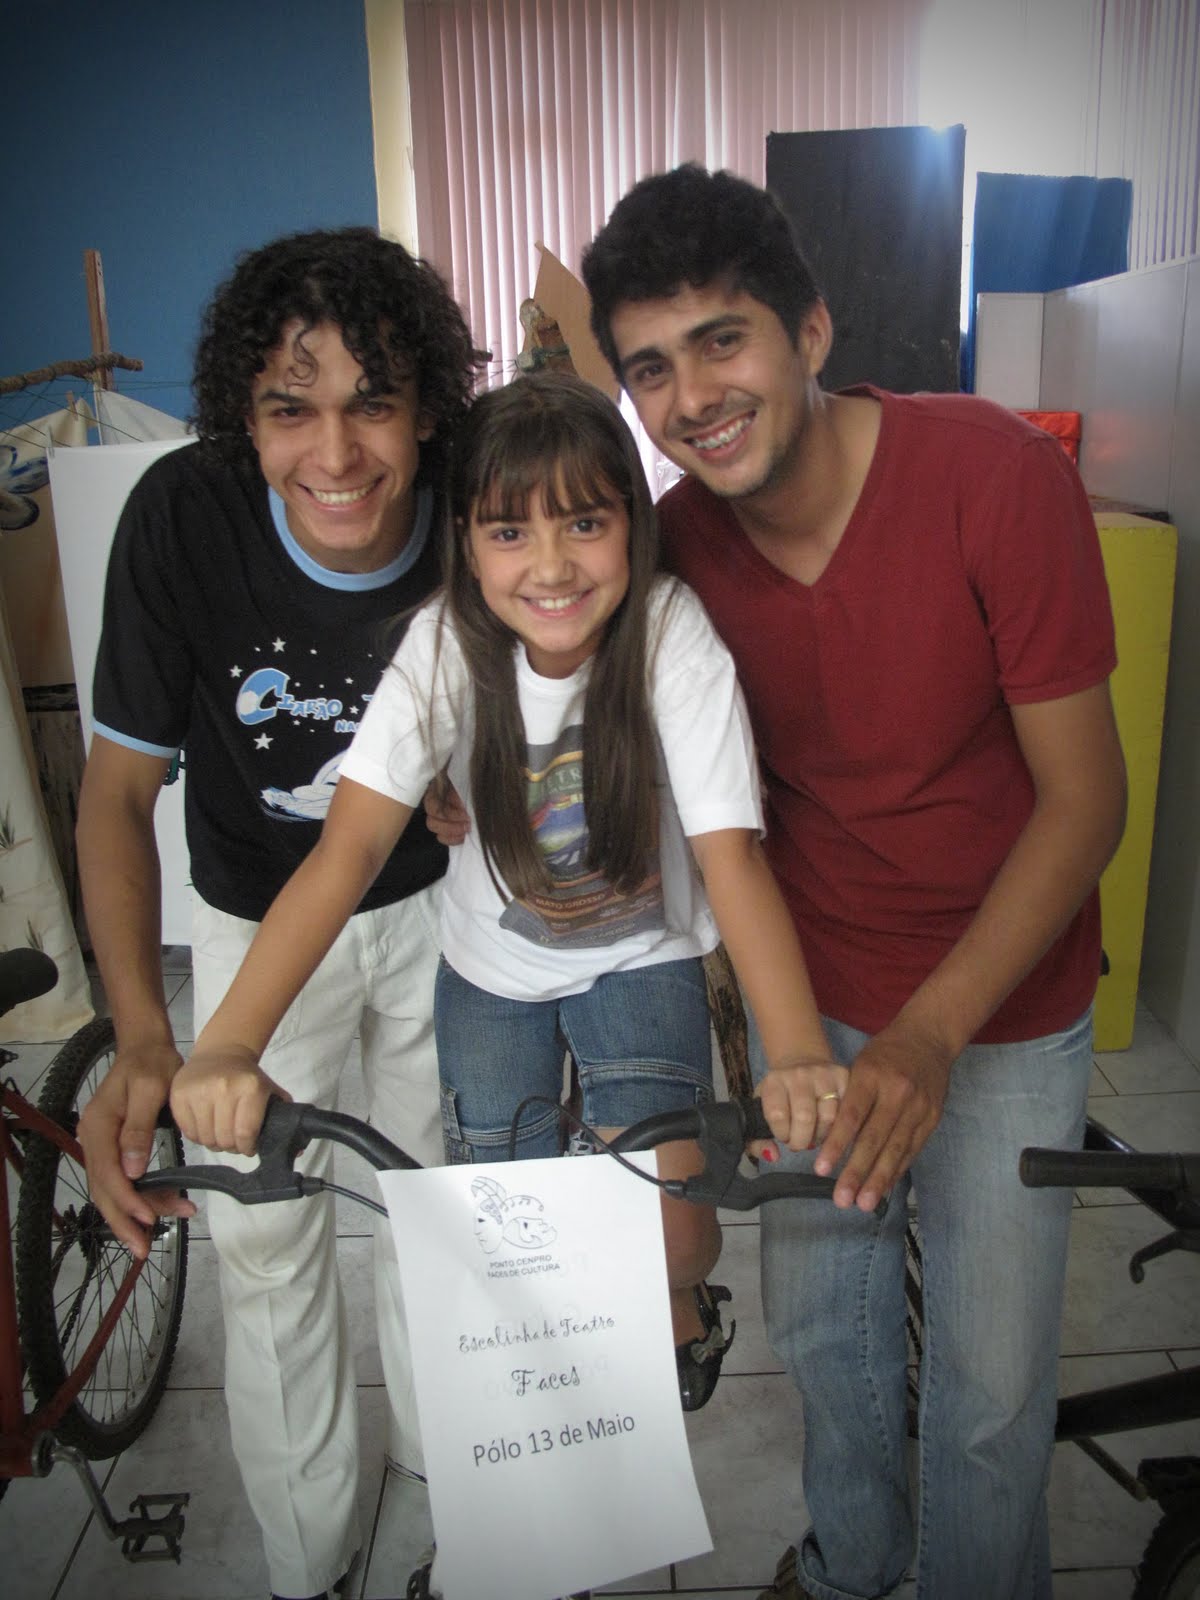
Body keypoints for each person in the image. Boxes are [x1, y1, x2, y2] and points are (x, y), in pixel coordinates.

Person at [577, 165, 1128, 1600]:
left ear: (811, 330)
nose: (694, 395)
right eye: (651, 366)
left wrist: (931, 1037)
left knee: (990, 1392)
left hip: (1002, 1004)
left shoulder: (995, 477)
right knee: (827, 1338)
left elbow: (1087, 803)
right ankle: (850, 1571)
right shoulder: (677, 550)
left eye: (723, 339)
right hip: (812, 1004)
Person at [166, 369, 846, 1421]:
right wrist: (226, 1043)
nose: (552, 565)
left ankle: (683, 1302)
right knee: (505, 1235)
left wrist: (795, 1048)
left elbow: (732, 860)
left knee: (672, 1236)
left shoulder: (670, 633)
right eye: (510, 532)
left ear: (633, 525)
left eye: (585, 522)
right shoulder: (446, 642)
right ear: (468, 544)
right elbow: (347, 852)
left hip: (641, 957)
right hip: (491, 971)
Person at [75, 226, 485, 1600]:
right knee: (264, 1241)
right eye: (289, 409)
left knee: (442, 1215)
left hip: (441, 913)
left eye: (374, 403)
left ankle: (448, 1499)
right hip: (255, 923)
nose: (337, 453)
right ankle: (309, 1557)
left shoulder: (480, 491)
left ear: (429, 408)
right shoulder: (183, 520)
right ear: (238, 418)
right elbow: (115, 792)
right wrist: (146, 1033)